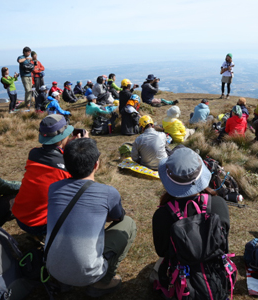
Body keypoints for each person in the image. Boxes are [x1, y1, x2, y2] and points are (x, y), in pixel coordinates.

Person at [45, 138, 136, 297]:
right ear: (96, 164)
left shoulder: (53, 188)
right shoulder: (108, 192)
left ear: (66, 165)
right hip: (87, 273)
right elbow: (118, 218)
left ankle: (65, 280)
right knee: (128, 223)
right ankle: (103, 281)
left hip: (52, 268)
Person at [152, 147, 230, 258]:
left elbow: (162, 252)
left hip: (180, 271)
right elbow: (223, 243)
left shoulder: (162, 215)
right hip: (215, 270)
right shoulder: (219, 204)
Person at [12, 115, 76, 237]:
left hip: (20, 218)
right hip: (40, 225)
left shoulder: (33, 154)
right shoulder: (67, 165)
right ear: (62, 137)